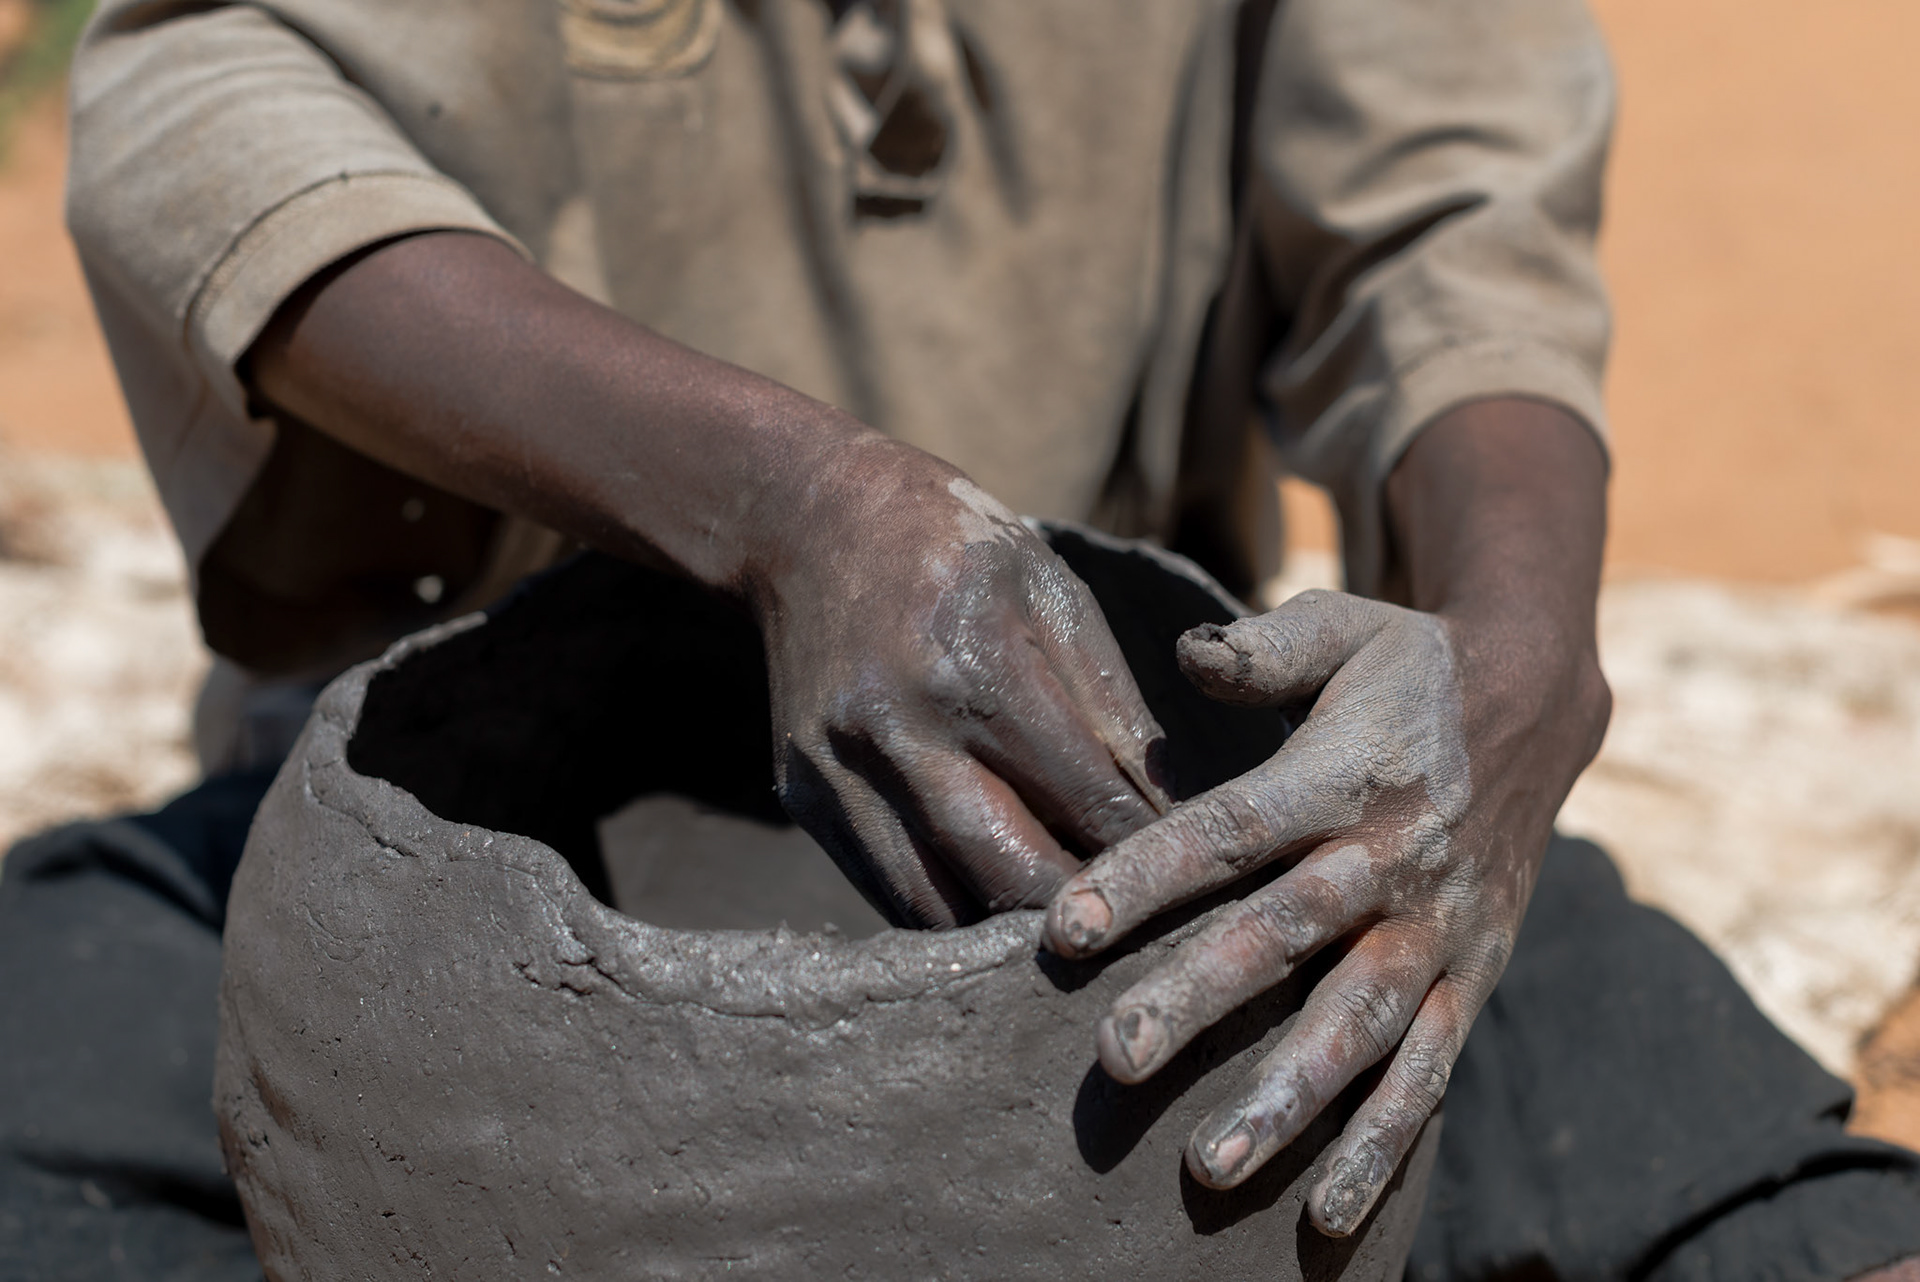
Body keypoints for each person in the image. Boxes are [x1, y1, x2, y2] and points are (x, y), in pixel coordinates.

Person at [5, 0, 1916, 1275]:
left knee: (1647, 1115)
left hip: (1147, 832)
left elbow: (1453, 216)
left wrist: (1513, 671)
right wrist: (786, 502)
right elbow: (209, 104)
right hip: (459, 862)